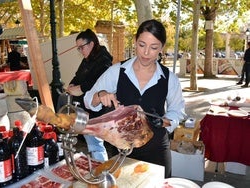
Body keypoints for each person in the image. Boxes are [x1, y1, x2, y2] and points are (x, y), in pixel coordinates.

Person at [84, 19, 185, 178]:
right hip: (123, 150)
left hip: (157, 149)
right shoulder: (117, 71)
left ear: (162, 48)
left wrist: (164, 121)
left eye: (153, 47)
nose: (146, 53)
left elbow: (177, 112)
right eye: (141, 45)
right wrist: (100, 94)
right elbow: (88, 99)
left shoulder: (169, 78)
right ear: (135, 42)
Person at [57, 29, 113, 161]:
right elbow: (78, 76)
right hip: (83, 107)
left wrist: (81, 88)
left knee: (96, 145)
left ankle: (101, 169)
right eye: (78, 48)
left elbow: (99, 82)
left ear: (91, 44)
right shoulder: (88, 58)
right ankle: (98, 167)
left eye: (81, 47)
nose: (80, 51)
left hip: (95, 109)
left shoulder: (104, 60)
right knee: (92, 143)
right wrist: (72, 85)